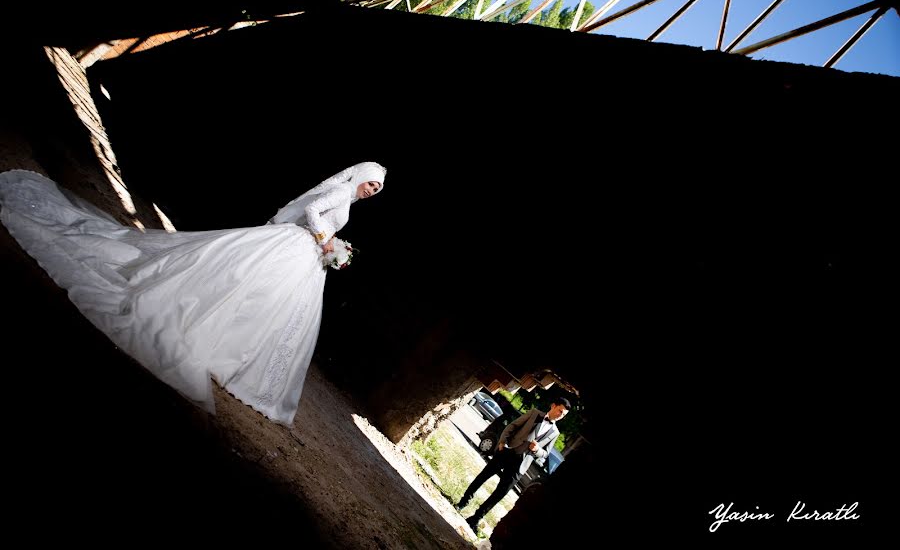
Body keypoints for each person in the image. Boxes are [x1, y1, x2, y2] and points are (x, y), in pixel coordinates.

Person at [0, 162, 386, 426]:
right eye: (372, 183)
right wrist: (324, 241)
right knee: (245, 288)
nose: (372, 191)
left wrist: (331, 247)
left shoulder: (348, 198)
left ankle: (233, 354)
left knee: (266, 303)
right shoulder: (339, 190)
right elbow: (315, 210)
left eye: (378, 189)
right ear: (361, 177)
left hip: (302, 254)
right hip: (295, 246)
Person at [456, 397, 571, 531]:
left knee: (500, 493)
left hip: (521, 465)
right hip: (507, 451)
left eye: (563, 415)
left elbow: (545, 454)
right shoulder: (534, 413)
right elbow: (512, 426)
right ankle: (463, 502)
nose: (560, 416)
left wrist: (538, 450)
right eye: (559, 411)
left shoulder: (555, 432)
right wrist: (502, 443)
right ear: (553, 405)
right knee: (483, 477)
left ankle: (475, 519)